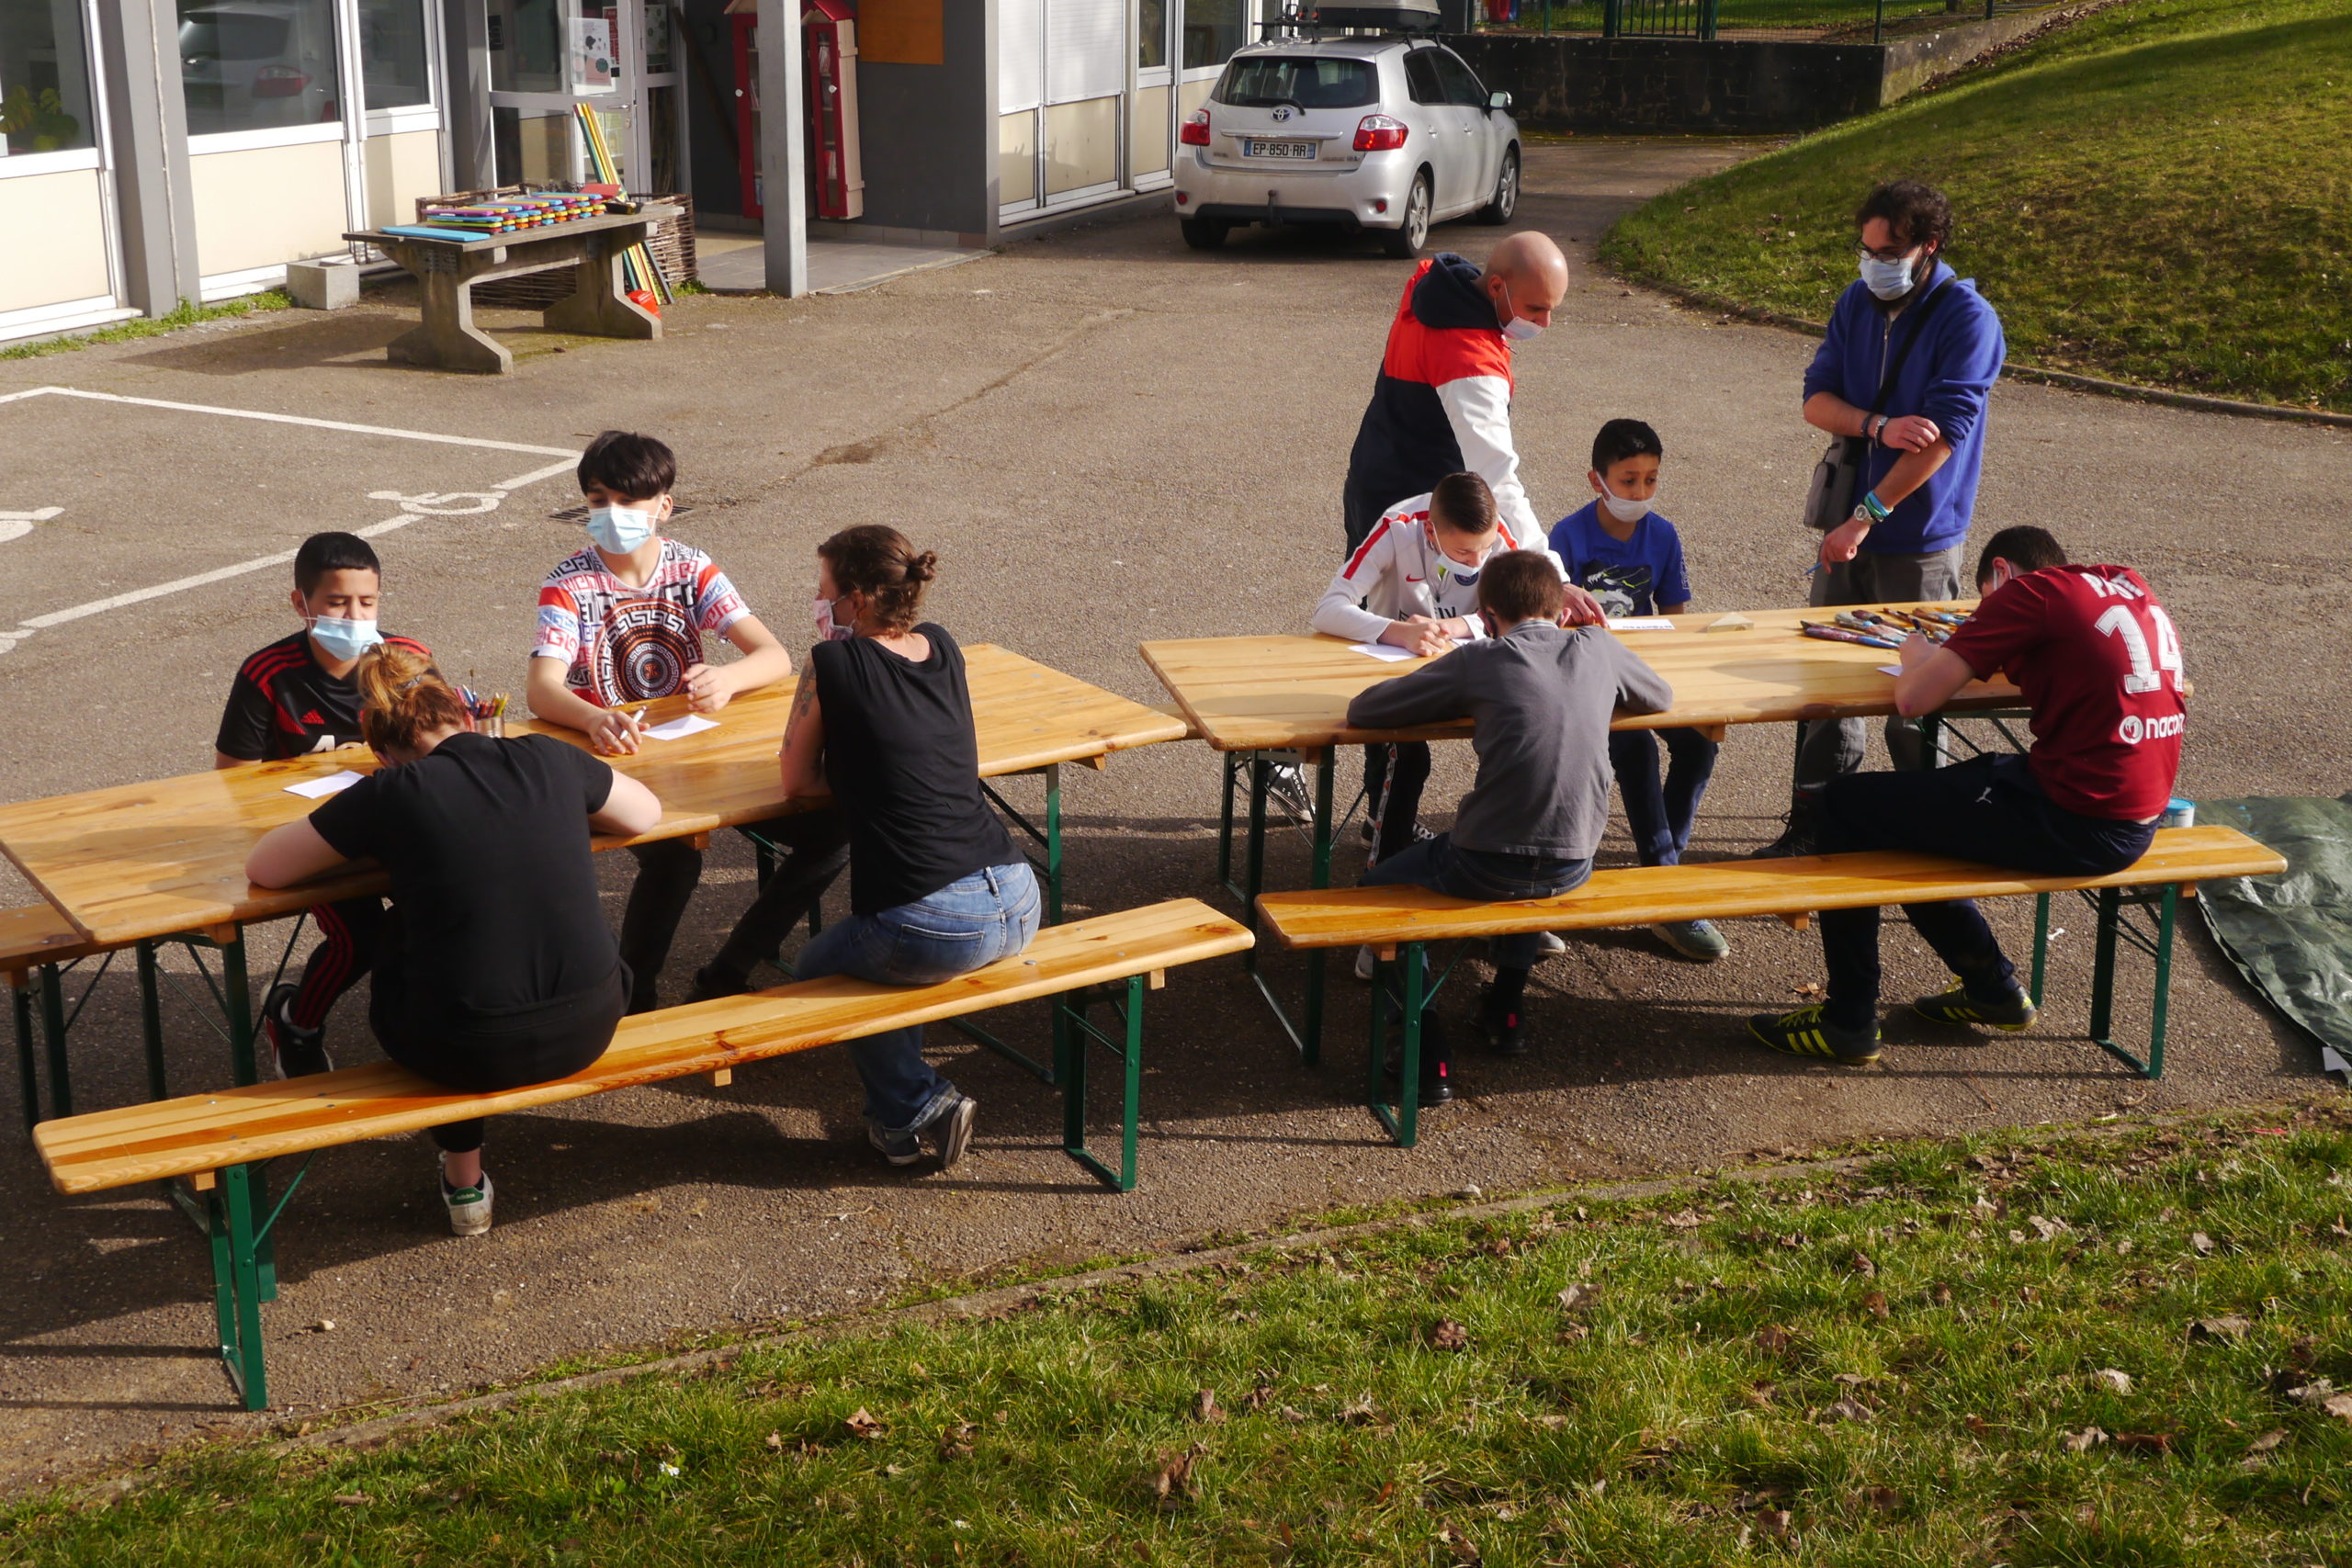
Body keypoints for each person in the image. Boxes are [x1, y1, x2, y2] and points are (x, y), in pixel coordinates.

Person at [244, 643, 664, 1235]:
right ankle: (463, 1182)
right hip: (591, 1024)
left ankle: (465, 1179)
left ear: (381, 751)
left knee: (427, 948)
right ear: (467, 716)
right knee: (490, 942)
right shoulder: (548, 757)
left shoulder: (390, 793)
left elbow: (265, 867)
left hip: (460, 1049)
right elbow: (645, 814)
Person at [1747, 526, 2186, 1066]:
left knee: (1843, 805)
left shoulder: (2029, 594)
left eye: (1983, 601)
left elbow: (1913, 699)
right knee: (1916, 816)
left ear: (1999, 573)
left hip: (2076, 819)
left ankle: (1849, 1020)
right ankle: (1992, 988)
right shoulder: (2124, 585)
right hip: (2137, 815)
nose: (1983, 614)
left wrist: (1918, 655)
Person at [526, 430, 842, 1013]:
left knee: (833, 831)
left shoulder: (692, 568)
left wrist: (727, 678)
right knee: (674, 857)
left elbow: (772, 656)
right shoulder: (568, 584)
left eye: (628, 501)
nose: (612, 514)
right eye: (598, 501)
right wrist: (595, 718)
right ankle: (634, 994)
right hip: (620, 764)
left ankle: (730, 967)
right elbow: (542, 688)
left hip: (692, 756)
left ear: (664, 506)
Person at [1344, 551, 1673, 1100]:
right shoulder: (1597, 648)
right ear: (1561, 609)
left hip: (1483, 860)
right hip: (1575, 859)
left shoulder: (1483, 659)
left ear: (1488, 616)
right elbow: (1659, 695)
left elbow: (1366, 710)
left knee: (1373, 895)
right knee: (1531, 863)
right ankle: (1506, 1007)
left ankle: (1426, 1054)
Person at [775, 525, 1039, 1171]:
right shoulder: (944, 646)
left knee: (819, 965)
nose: (817, 602)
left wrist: (852, 775)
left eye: (824, 590)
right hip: (1019, 895)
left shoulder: (831, 662)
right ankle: (894, 1126)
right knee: (887, 953)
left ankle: (922, 1100)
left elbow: (796, 778)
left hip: (937, 922)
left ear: (858, 599)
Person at [1764, 181, 2007, 857]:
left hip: (1918, 541)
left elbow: (1943, 437)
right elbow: (1817, 401)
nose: (1876, 264)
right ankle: (1812, 826)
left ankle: (1925, 838)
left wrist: (1868, 515)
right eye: (1867, 250)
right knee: (1824, 691)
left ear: (1930, 247)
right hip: (1847, 532)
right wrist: (1877, 424)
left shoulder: (1968, 319)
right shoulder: (1855, 302)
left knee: (1917, 701)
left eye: (1891, 251)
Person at [214, 532, 434, 1077]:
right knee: (357, 938)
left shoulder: (408, 662)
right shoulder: (268, 673)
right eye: (337, 602)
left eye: (367, 602)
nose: (354, 615)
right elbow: (231, 782)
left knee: (438, 912)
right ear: (301, 604)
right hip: (315, 838)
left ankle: (420, 1018)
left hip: (396, 826)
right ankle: (295, 1021)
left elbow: (440, 752)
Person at [1313, 471, 1570, 870]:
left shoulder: (1497, 534)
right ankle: (1387, 863)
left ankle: (1503, 858)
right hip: (1395, 668)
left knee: (1524, 735)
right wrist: (1397, 632)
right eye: (1464, 552)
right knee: (1408, 755)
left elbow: (1531, 614)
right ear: (1431, 531)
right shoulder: (1397, 527)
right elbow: (1328, 609)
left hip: (1469, 663)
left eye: (1484, 550)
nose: (1478, 562)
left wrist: (1456, 626)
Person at [1548, 419, 1727, 963]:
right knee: (1636, 748)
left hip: (1643, 671)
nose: (1641, 493)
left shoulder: (1663, 535)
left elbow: (1675, 620)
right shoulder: (1566, 536)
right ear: (1596, 480)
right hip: (1586, 675)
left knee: (1699, 742)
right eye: (1628, 481)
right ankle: (1667, 894)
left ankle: (1661, 865)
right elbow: (1555, 627)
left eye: (1651, 479)